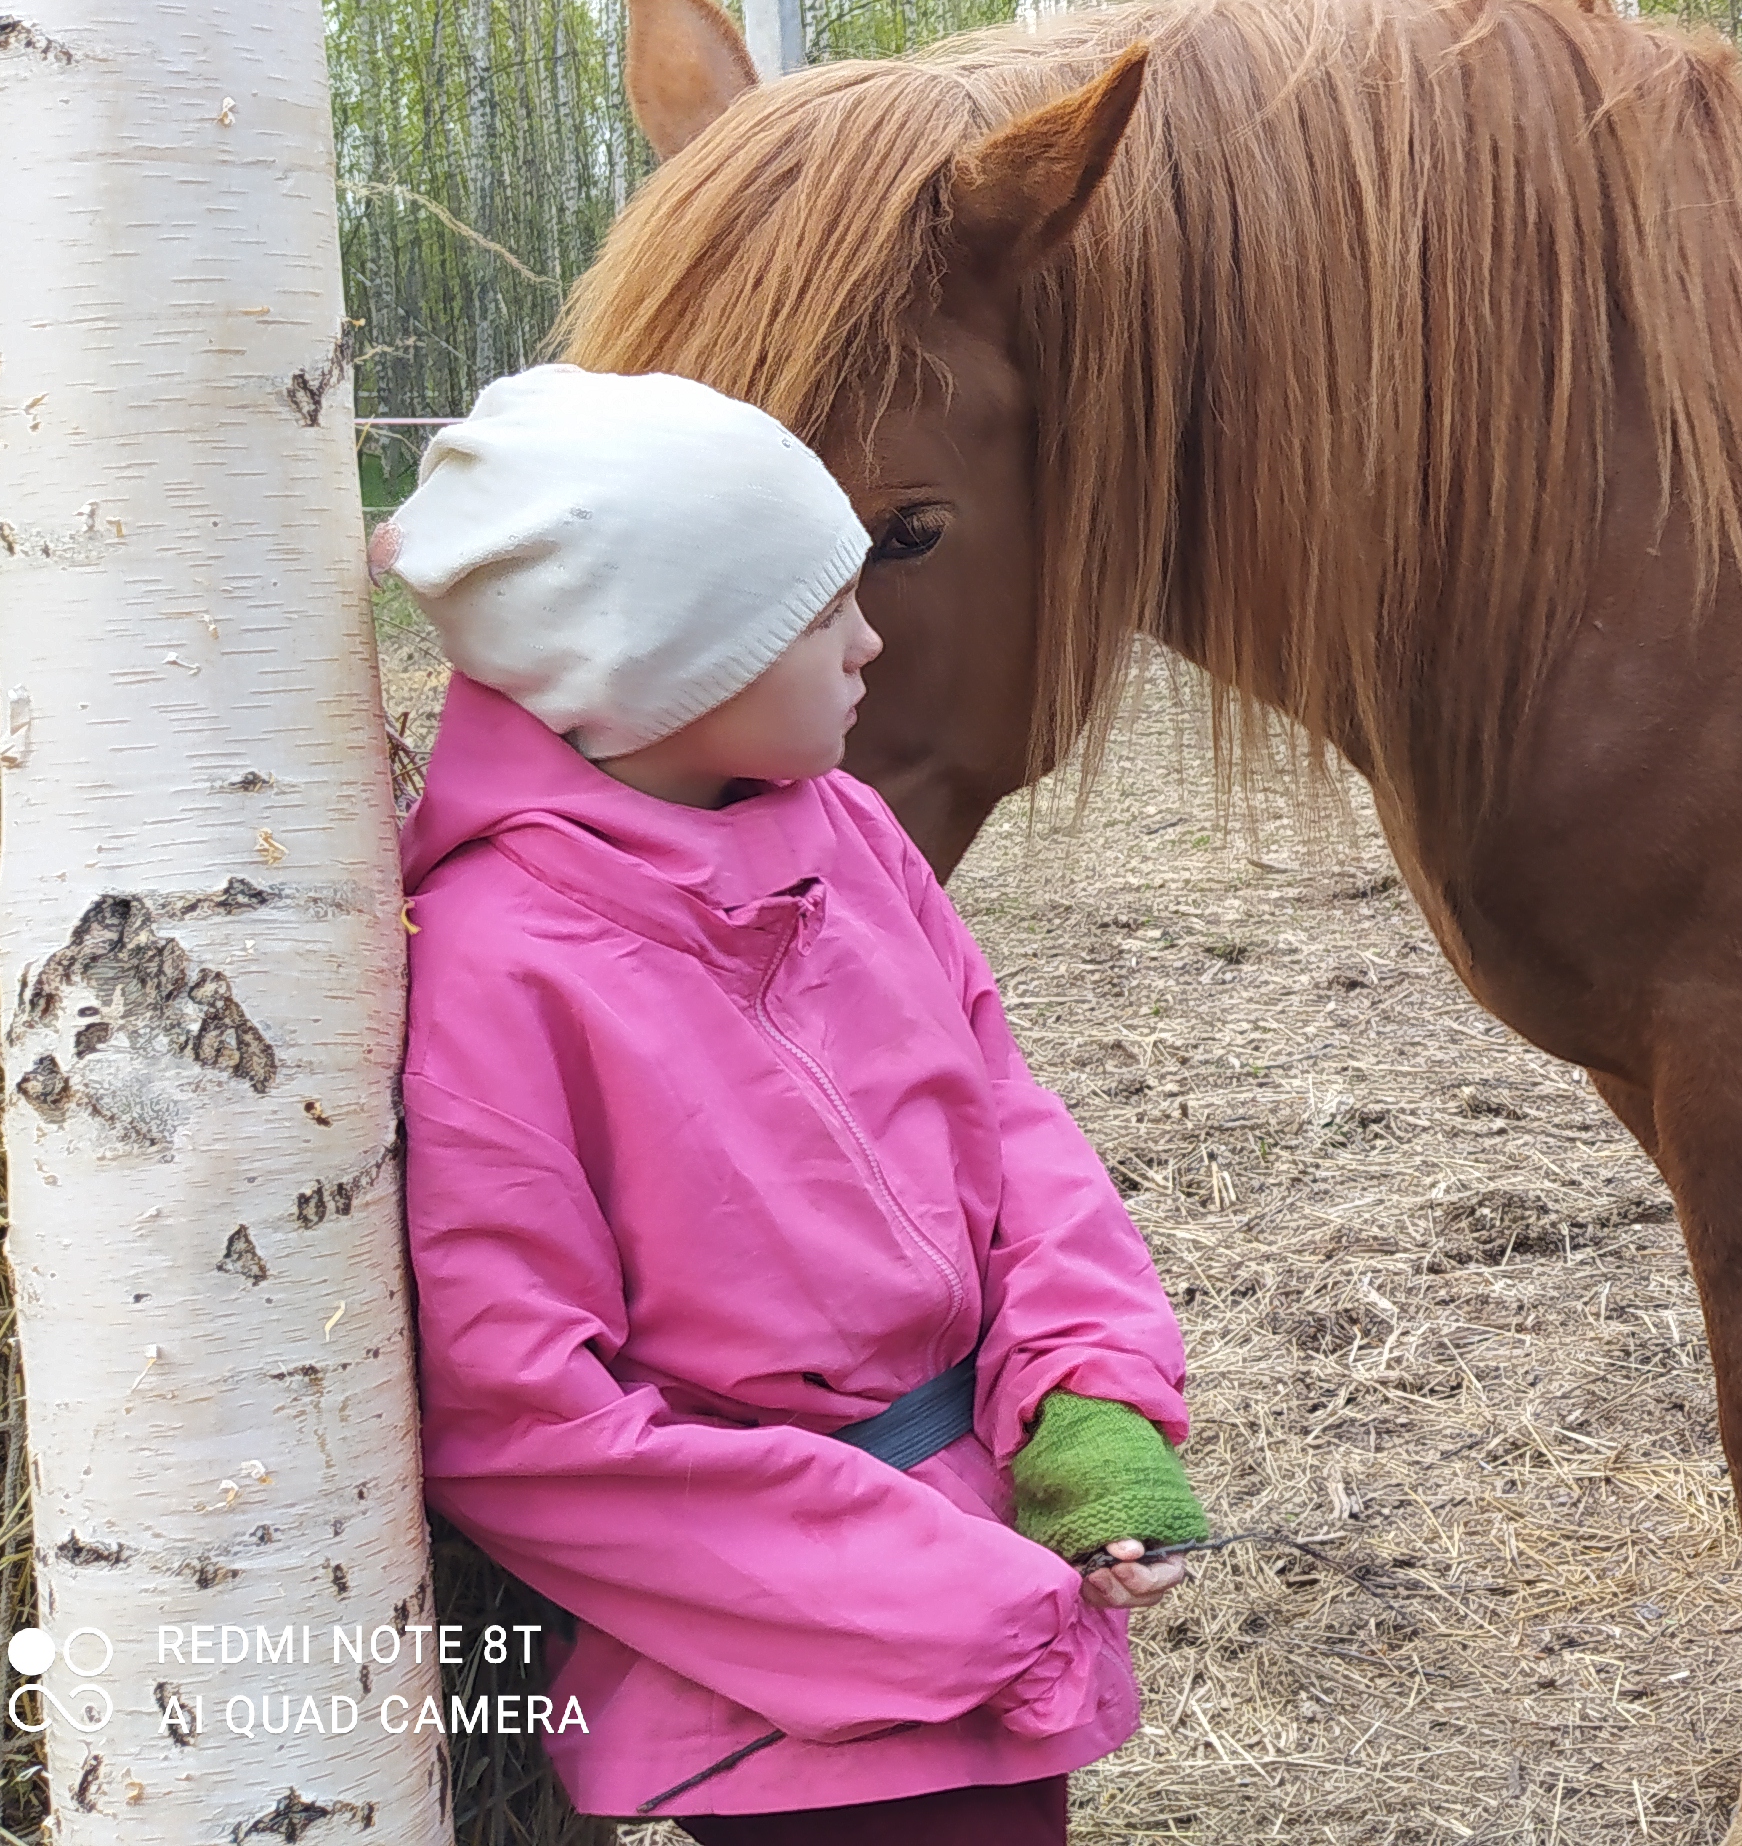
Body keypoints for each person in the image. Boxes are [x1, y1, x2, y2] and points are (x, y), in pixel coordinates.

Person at [387, 365, 1212, 1846]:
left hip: (985, 1556)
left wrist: (1090, 1396)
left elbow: (1005, 1123)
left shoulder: (848, 835)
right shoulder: (496, 973)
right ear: (673, 664)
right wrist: (938, 1591)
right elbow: (520, 1423)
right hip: (785, 1673)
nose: (871, 642)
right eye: (823, 611)